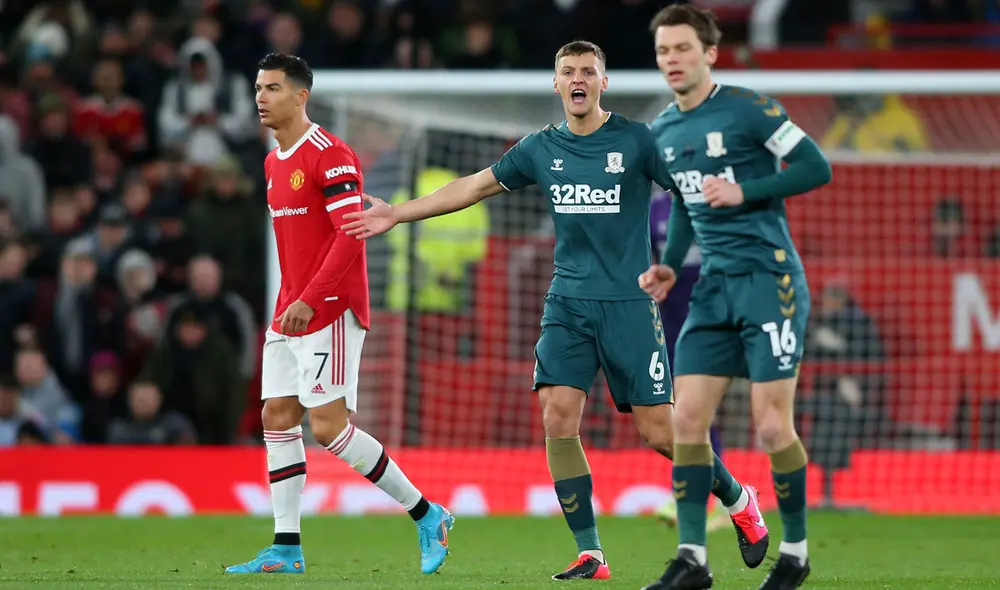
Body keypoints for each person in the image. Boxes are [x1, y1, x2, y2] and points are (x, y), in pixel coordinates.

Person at [342, 40, 768, 582]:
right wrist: (396, 214)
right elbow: (474, 186)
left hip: (629, 306)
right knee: (557, 416)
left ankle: (738, 500)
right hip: (566, 303)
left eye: (588, 71)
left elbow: (686, 197)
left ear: (603, 82)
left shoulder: (637, 142)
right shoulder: (541, 148)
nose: (578, 79)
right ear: (556, 83)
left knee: (660, 434)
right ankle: (592, 552)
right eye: (568, 71)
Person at [224, 53, 453, 576]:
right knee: (277, 417)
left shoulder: (331, 155)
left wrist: (313, 298)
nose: (262, 96)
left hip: (329, 308)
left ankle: (427, 513)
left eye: (273, 88)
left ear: (301, 96)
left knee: (329, 428)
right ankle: (286, 548)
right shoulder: (272, 160)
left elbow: (353, 236)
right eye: (258, 87)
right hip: (290, 309)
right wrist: (292, 300)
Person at [638, 6, 832, 590]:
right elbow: (688, 209)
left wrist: (747, 189)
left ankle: (795, 554)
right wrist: (670, 266)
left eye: (681, 49)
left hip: (768, 281)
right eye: (663, 51)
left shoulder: (750, 108)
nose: (671, 60)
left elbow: (815, 166)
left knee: (772, 427)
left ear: (709, 53)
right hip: (712, 289)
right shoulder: (664, 132)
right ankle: (692, 559)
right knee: (687, 420)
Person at [649, 193, 729, 534]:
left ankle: (702, 498)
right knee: (681, 410)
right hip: (668, 324)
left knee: (698, 409)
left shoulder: (715, 200)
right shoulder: (653, 210)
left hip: (711, 319)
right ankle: (716, 497)